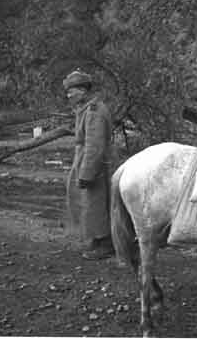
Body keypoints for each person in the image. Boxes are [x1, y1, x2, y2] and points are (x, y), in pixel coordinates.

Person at [63, 70, 114, 260]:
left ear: (83, 90)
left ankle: (106, 242)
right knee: (88, 203)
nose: (69, 95)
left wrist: (87, 172)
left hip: (96, 164)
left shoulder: (95, 111)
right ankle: (97, 238)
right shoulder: (87, 108)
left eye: (72, 91)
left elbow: (95, 145)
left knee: (97, 203)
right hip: (86, 159)